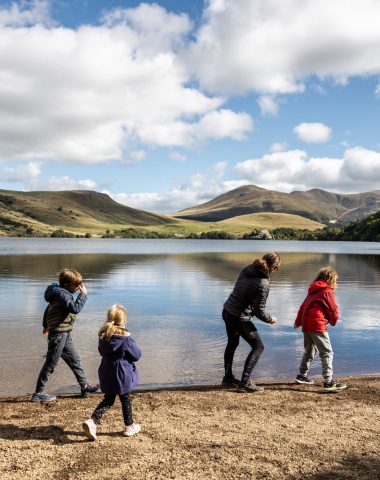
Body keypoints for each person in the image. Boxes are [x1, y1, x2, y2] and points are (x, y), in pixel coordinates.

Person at [31, 268, 99, 402]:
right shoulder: (63, 295)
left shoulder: (59, 294)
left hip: (65, 333)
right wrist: (83, 295)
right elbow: (75, 308)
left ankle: (84, 385)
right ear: (67, 285)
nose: (79, 288)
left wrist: (45, 325)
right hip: (58, 335)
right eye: (77, 285)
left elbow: (48, 309)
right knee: (50, 364)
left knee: (75, 360)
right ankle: (39, 392)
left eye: (80, 285)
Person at [222, 252, 280, 393]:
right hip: (239, 317)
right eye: (277, 268)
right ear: (274, 268)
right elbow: (259, 311)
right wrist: (270, 319)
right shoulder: (264, 283)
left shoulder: (247, 269)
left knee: (232, 343)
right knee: (258, 346)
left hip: (227, 311)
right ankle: (245, 382)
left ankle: (228, 378)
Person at [82, 304, 142, 440]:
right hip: (122, 373)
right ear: (124, 321)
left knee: (109, 399)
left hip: (106, 371)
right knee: (125, 399)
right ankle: (129, 426)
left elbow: (101, 352)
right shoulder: (126, 338)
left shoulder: (103, 336)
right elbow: (137, 355)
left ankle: (92, 422)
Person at [294, 266, 347, 391]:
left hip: (307, 324)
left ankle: (302, 375)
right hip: (317, 325)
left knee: (309, 351)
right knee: (327, 352)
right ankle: (328, 381)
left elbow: (303, 307)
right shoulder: (326, 292)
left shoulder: (312, 290)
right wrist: (333, 322)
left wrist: (298, 322)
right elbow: (333, 309)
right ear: (331, 279)